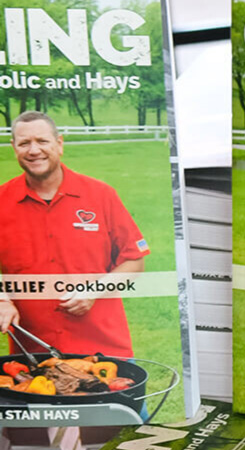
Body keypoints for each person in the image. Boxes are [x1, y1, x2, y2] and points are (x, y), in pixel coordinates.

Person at [0, 111, 149, 358]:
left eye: (42, 141)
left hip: (104, 348)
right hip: (32, 352)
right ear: (14, 147)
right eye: (24, 143)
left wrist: (93, 292)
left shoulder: (101, 195)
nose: (33, 150)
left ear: (59, 144)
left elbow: (135, 261)